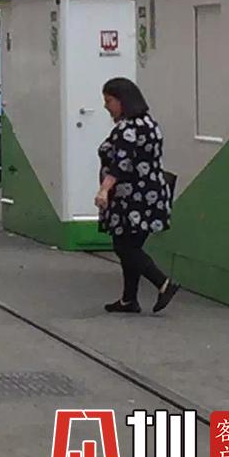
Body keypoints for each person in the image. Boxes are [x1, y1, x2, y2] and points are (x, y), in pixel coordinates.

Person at [95, 78, 179, 314]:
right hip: (150, 195)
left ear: (122, 101)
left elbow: (121, 164)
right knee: (131, 246)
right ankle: (128, 299)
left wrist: (104, 190)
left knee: (124, 247)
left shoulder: (128, 129)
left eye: (109, 101)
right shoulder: (150, 124)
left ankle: (163, 284)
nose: (106, 106)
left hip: (132, 199)